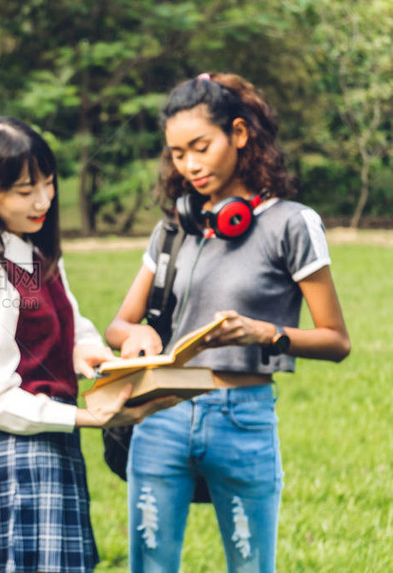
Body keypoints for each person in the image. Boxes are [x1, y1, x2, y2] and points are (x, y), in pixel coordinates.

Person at [105, 73, 351, 573]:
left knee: (251, 566)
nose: (190, 165)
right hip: (162, 414)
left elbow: (336, 339)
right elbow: (118, 325)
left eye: (200, 146)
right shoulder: (174, 228)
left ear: (239, 134)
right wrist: (138, 334)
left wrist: (267, 334)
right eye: (177, 154)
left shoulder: (292, 224)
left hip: (243, 418)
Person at [0, 117, 179, 573]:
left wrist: (99, 360)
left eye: (49, 183)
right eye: (23, 190)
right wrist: (90, 416)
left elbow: (74, 327)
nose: (43, 200)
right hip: (21, 458)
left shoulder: (35, 255)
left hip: (57, 450)